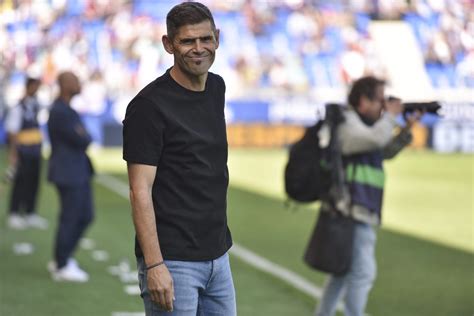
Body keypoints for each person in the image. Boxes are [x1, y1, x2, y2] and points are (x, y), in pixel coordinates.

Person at [122, 2, 236, 315]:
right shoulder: (148, 106)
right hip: (173, 262)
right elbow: (139, 190)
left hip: (218, 257)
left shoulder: (216, 87)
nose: (199, 48)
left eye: (205, 39)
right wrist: (155, 264)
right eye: (187, 41)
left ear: (217, 38)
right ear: (169, 44)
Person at [315, 76, 421, 316]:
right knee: (363, 273)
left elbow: (380, 151)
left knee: (341, 273)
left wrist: (405, 131)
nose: (384, 105)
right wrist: (391, 116)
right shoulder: (347, 122)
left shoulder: (363, 125)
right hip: (352, 210)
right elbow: (372, 139)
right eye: (380, 100)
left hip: (358, 208)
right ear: (363, 100)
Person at [47, 71, 94, 282]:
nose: (79, 83)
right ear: (65, 85)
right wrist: (82, 135)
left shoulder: (66, 109)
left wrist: (83, 135)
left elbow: (85, 136)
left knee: (85, 216)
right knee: (71, 217)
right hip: (68, 172)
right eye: (75, 80)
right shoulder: (60, 111)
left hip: (76, 171)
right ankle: (61, 263)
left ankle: (63, 258)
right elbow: (81, 138)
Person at [4, 77, 48, 230]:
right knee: (20, 181)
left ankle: (30, 212)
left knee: (34, 181)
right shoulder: (18, 107)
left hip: (35, 149)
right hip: (23, 149)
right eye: (34, 86)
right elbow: (12, 132)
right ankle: (14, 213)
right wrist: (14, 153)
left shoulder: (36, 104)